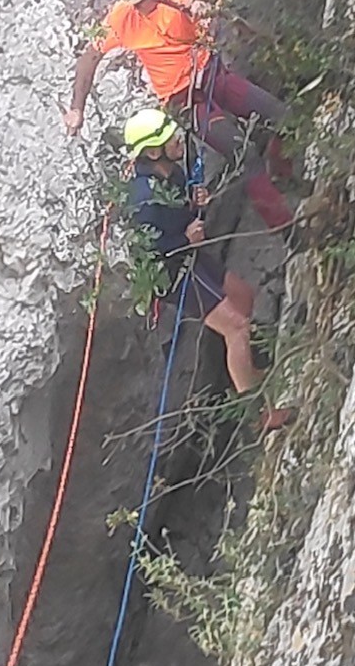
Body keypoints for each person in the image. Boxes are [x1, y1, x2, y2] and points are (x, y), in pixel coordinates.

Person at [63, 0, 293, 230]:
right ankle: (286, 228)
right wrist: (78, 108)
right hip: (184, 101)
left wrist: (195, 6)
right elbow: (90, 58)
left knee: (282, 118)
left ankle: (282, 174)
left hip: (212, 76)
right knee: (243, 154)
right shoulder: (122, 19)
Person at [122, 108, 290, 430]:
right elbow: (146, 248)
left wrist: (196, 202)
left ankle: (247, 372)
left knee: (244, 296)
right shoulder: (142, 198)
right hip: (175, 273)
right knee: (236, 327)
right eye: (168, 137)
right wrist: (182, 238)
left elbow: (183, 207)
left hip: (191, 258)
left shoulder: (170, 172)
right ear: (153, 149)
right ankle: (259, 415)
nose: (177, 139)